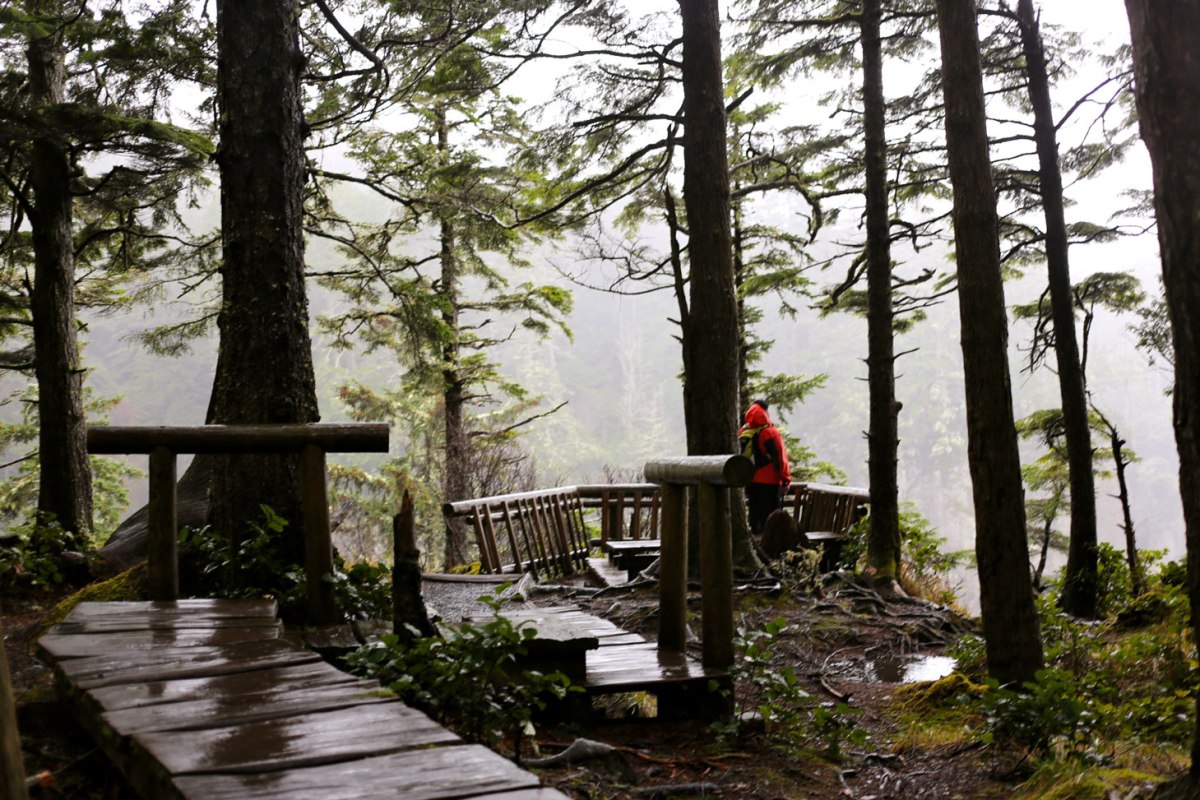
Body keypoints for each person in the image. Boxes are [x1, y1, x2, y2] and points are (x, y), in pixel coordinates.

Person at [738, 399, 791, 538]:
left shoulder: (744, 430)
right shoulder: (769, 432)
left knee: (754, 514)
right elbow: (780, 459)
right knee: (771, 518)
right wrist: (785, 481)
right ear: (765, 411)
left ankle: (755, 545)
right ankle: (771, 550)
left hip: (750, 479)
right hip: (770, 482)